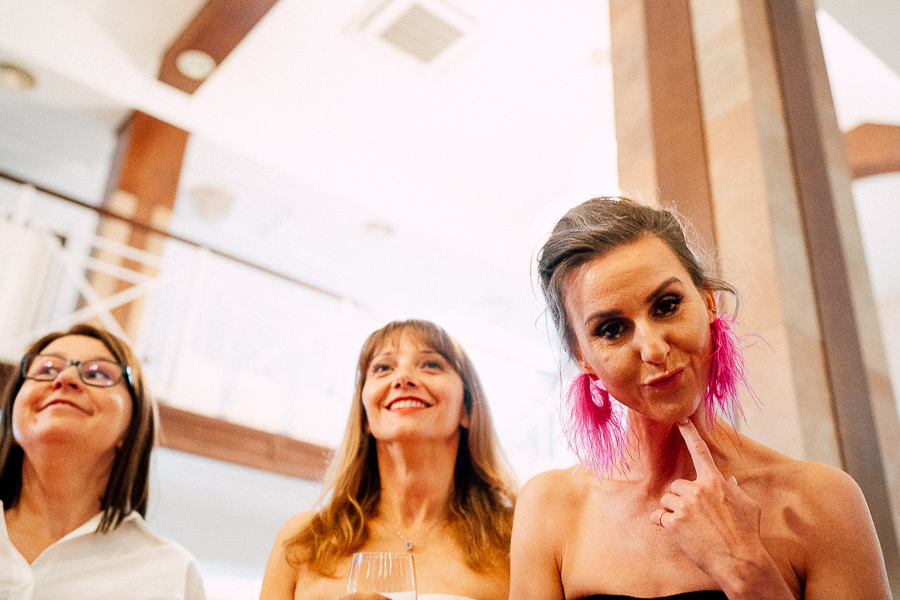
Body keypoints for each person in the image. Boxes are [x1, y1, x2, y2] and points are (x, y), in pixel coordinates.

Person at [510, 197, 891, 599]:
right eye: (612, 329)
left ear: (708, 301)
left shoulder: (821, 501)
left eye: (667, 305)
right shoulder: (549, 508)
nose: (654, 349)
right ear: (582, 357)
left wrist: (747, 571)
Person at [260, 319, 517, 600]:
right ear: (364, 416)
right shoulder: (304, 539)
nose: (403, 378)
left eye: (431, 364)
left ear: (467, 407)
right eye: (383, 368)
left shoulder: (516, 539)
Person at [0, 323, 206, 600]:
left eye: (97, 373)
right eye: (47, 369)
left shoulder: (172, 574)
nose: (66, 377)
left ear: (130, 430)